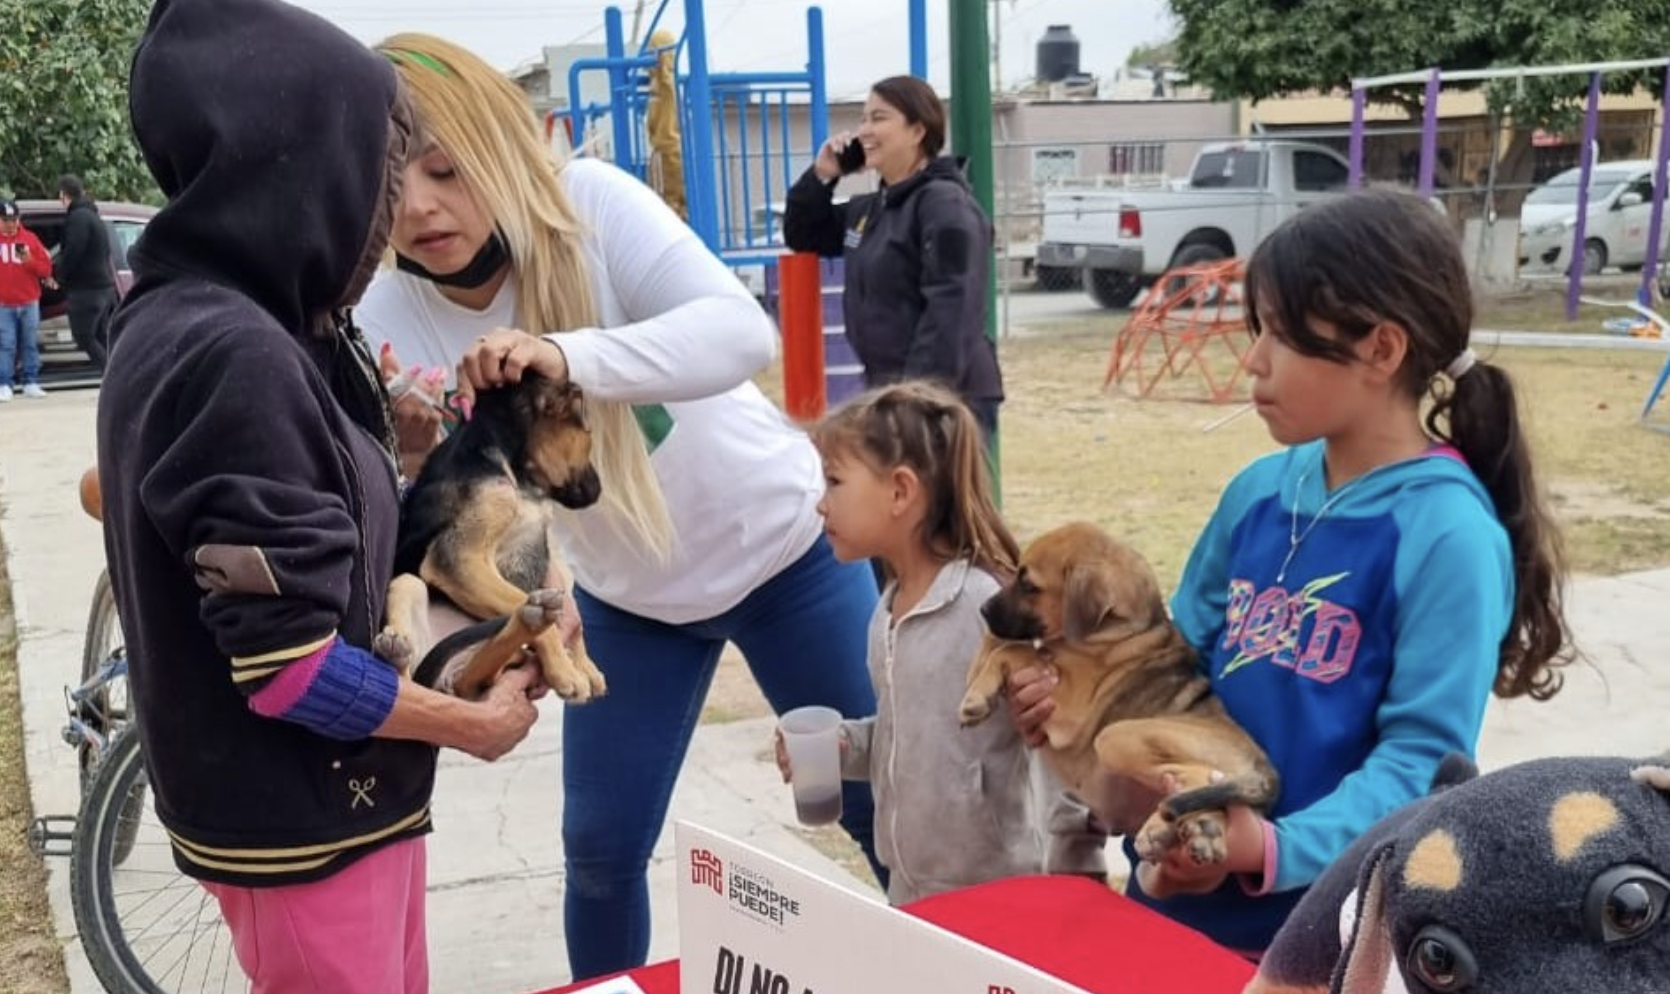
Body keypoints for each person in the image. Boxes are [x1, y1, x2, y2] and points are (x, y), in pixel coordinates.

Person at [355, 33, 886, 982]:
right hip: (627, 604)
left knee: (877, 808)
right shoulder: (387, 316)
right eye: (393, 178)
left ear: (499, 149)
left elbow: (739, 331)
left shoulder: (590, 206)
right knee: (598, 851)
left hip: (787, 557)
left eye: (446, 168)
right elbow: (406, 503)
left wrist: (566, 356)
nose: (420, 206)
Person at [97, 2, 549, 991]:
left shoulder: (231, 312)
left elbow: (311, 522)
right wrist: (467, 723)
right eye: (382, 164)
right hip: (299, 819)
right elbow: (288, 671)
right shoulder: (232, 350)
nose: (391, 206)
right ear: (294, 157)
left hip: (344, 803)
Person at [1009, 188, 1572, 956]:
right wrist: (1076, 719)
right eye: (1257, 328)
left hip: (1318, 938)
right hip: (1168, 908)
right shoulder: (1259, 493)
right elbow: (1172, 675)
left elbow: (1420, 768)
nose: (1254, 359)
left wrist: (1265, 852)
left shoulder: (1447, 535)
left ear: (1381, 348)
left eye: (1281, 334)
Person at [781, 381, 1040, 903]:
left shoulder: (984, 607)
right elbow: (912, 733)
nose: (820, 506)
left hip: (997, 898)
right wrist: (844, 748)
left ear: (900, 491)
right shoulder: (886, 613)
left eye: (833, 482)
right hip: (910, 891)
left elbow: (1048, 740)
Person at [782, 76, 1003, 438]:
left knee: (936, 496)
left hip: (944, 401)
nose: (865, 130)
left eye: (879, 118)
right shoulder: (873, 210)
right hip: (890, 395)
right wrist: (824, 174)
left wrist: (915, 403)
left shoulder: (945, 205)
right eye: (863, 119)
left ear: (917, 130)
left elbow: (952, 307)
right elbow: (804, 233)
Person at [53, 173, 117, 369]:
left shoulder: (78, 218)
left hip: (87, 291)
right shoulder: (92, 216)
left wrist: (59, 276)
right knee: (100, 336)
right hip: (103, 288)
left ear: (64, 195)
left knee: (84, 336)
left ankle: (112, 376)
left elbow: (73, 252)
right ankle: (118, 374)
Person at [0, 198, 55, 401]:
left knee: (29, 343)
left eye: (14, 219)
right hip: (4, 304)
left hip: (29, 301)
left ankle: (30, 382)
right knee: (6, 344)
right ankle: (5, 384)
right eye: (6, 220)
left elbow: (45, 270)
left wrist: (29, 260)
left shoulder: (30, 239)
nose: (10, 224)